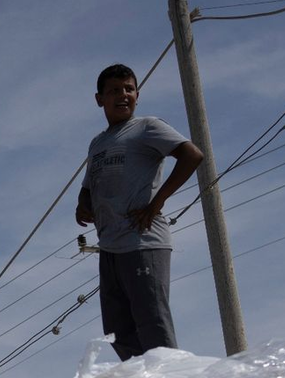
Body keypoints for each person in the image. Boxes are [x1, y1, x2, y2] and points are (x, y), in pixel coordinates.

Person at [75, 63, 204, 360]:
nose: (123, 95)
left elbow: (191, 155)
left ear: (137, 94)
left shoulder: (147, 127)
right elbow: (87, 187)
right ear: (100, 99)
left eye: (129, 89)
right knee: (119, 332)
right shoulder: (98, 143)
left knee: (153, 326)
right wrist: (82, 205)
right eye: (114, 91)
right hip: (109, 247)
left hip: (143, 241)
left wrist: (156, 204)